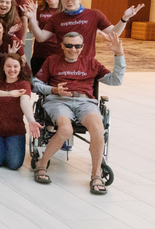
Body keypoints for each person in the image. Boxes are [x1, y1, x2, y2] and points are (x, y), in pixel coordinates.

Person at [32, 32, 126, 194]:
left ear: (82, 47)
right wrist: (53, 89)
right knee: (65, 129)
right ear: (62, 45)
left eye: (77, 46)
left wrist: (119, 54)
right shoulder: (52, 61)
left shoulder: (91, 63)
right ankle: (41, 164)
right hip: (58, 101)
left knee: (97, 128)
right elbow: (35, 84)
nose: (73, 49)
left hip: (85, 102)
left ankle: (96, 175)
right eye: (68, 45)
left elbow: (116, 80)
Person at [24, 0, 143, 61]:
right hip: (62, 61)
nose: (69, 2)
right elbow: (40, 38)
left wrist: (124, 18)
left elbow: (114, 33)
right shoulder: (56, 18)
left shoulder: (94, 14)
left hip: (86, 62)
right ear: (62, 0)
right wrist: (32, 19)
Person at [0, 54, 41, 170]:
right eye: (8, 66)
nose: (12, 70)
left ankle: (1, 149)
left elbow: (24, 101)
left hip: (14, 131)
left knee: (14, 165)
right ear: (3, 68)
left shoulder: (24, 84)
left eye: (15, 66)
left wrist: (31, 120)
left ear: (20, 68)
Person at [30, 0, 61, 75]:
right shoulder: (40, 9)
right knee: (37, 82)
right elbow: (32, 30)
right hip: (40, 53)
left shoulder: (65, 11)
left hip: (57, 54)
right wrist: (33, 14)